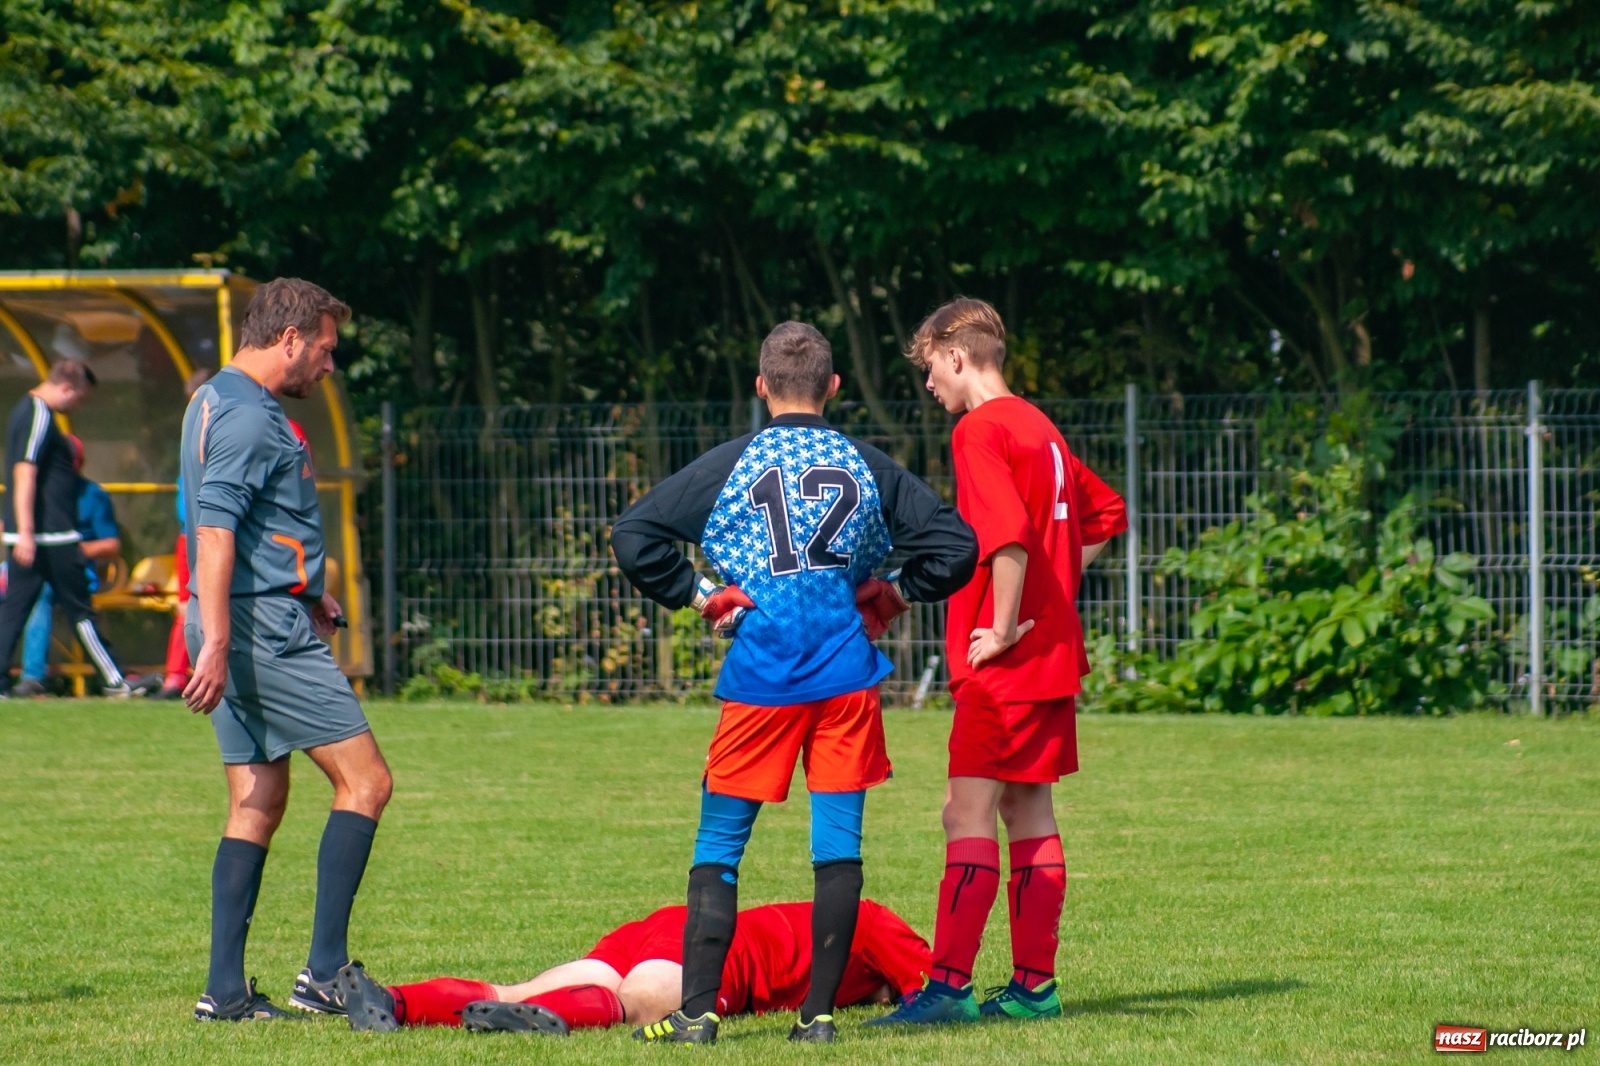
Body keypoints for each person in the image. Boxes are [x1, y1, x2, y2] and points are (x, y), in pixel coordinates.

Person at [610, 321, 976, 1045]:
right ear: (834, 388)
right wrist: (897, 592)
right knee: (836, 847)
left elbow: (634, 535)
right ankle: (818, 1016)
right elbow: (957, 546)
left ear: (760, 387)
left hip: (762, 678)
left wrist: (700, 595)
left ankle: (701, 1013)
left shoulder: (729, 464)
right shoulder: (867, 463)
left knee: (720, 845)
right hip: (845, 678)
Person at [870, 298, 1127, 1027]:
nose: (928, 387)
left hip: (1008, 662)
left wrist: (1007, 625)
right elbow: (1105, 513)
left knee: (966, 812)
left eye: (929, 370)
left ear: (957, 356)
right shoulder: (1040, 427)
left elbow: (1006, 541)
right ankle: (1034, 989)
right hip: (1054, 657)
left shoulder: (979, 429)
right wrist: (1055, 597)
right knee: (1030, 810)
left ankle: (948, 988)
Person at [182, 277, 394, 1023]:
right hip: (255, 628)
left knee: (258, 798)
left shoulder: (215, 398)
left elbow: (247, 525)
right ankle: (326, 971)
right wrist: (220, 642)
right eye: (327, 351)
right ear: (291, 339)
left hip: (255, 613)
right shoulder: (247, 417)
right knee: (366, 782)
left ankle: (226, 993)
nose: (329, 368)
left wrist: (307, 591)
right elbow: (214, 531)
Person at [336, 898, 931, 1035]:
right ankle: (535, 1019)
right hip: (714, 947)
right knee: (634, 1004)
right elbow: (929, 991)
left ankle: (398, 1001)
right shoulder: (874, 920)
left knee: (517, 984)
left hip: (664, 922)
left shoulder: (824, 919)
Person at [0, 361, 151, 698]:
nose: (77, 406)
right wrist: (26, 530)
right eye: (79, 398)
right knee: (79, 608)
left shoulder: (26, 411)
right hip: (50, 535)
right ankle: (115, 681)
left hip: (39, 535)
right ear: (67, 388)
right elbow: (25, 472)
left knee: (15, 609)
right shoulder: (39, 414)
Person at [12, 435, 124, 696]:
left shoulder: (92, 495)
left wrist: (75, 551)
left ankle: (33, 677)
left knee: (40, 594)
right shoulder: (35, 494)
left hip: (75, 571)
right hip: (35, 567)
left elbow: (111, 545)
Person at [156, 369, 217, 700]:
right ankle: (175, 677)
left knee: (201, 605)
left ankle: (180, 676)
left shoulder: (210, 429)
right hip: (192, 534)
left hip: (203, 533)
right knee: (187, 606)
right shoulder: (194, 429)